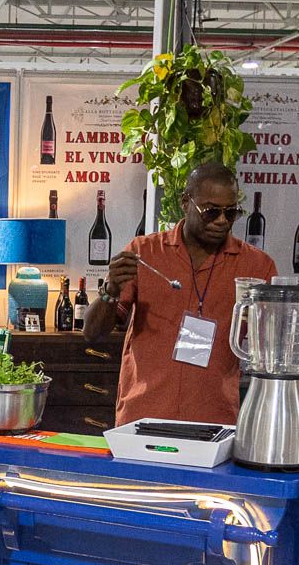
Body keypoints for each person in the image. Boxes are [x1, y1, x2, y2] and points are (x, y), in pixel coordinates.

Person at [82, 161, 277, 425]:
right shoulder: (145, 253)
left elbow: (268, 349)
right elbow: (93, 332)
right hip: (143, 416)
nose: (221, 221)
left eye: (230, 213)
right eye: (211, 212)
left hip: (213, 421)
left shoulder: (257, 266)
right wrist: (111, 290)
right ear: (186, 202)